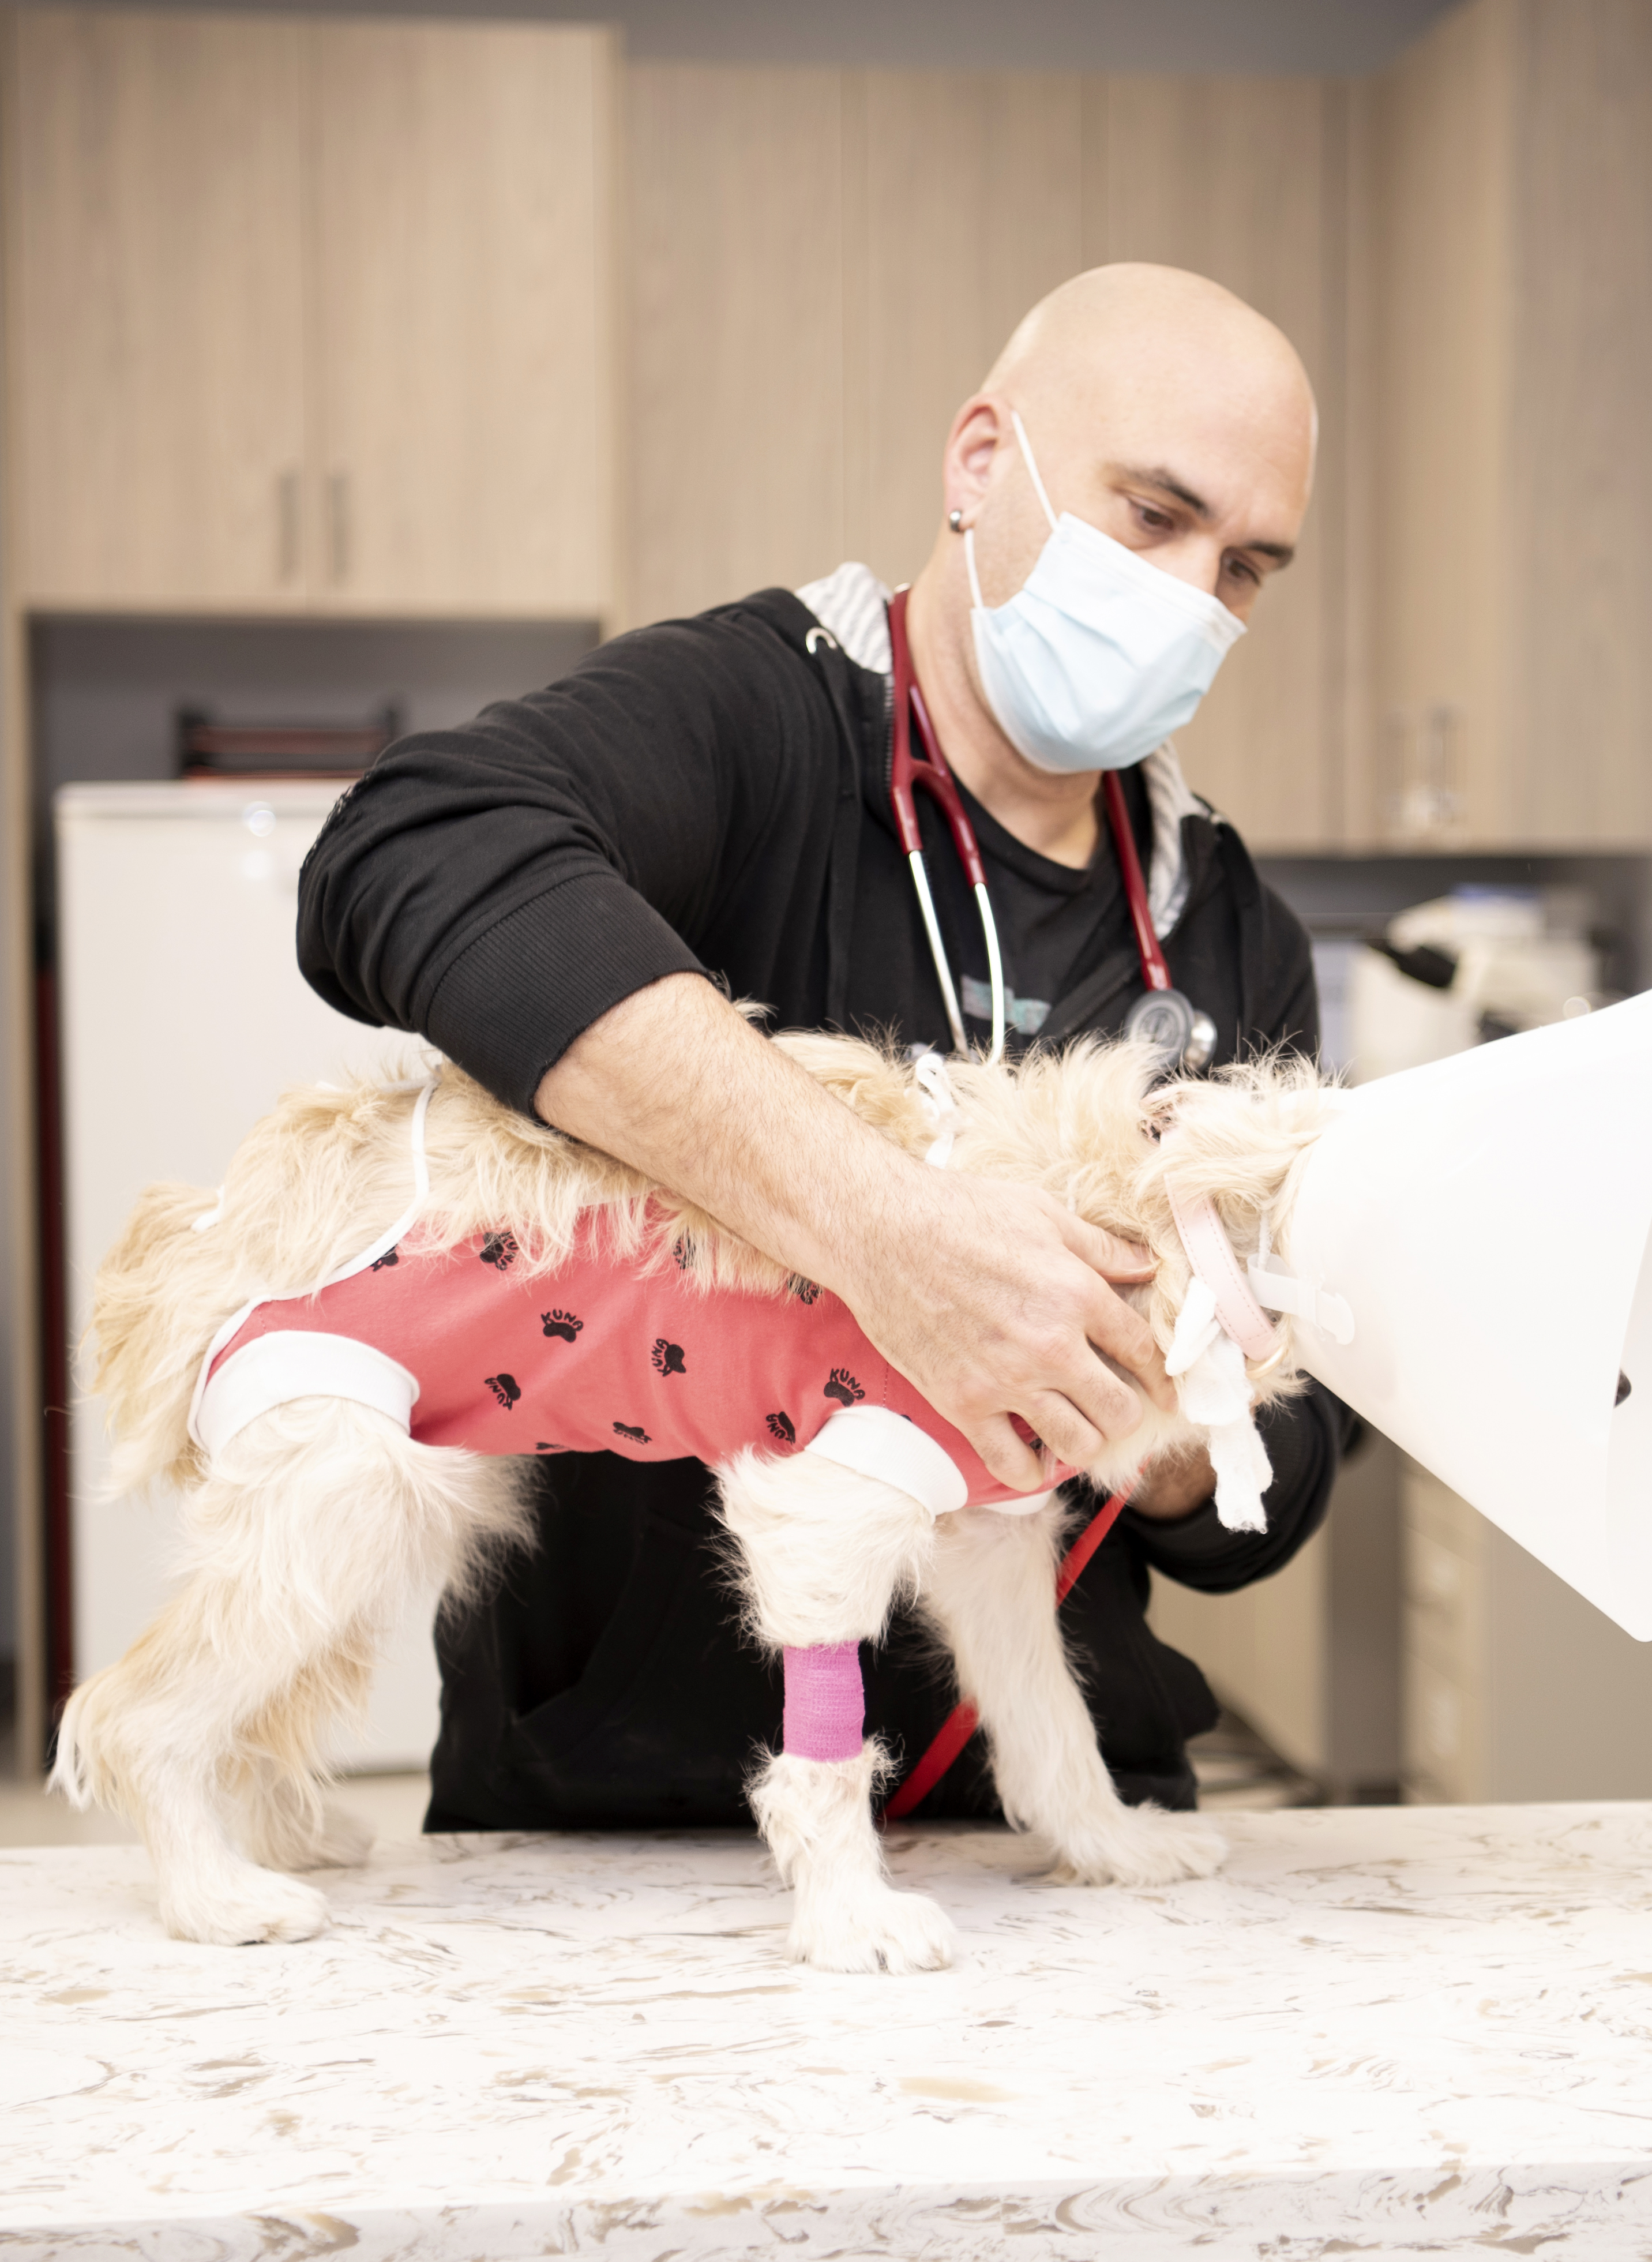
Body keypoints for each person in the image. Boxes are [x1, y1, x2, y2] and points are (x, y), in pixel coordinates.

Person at [295, 262, 1346, 1832]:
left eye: (1246, 566)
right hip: (634, 1814)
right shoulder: (753, 721)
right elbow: (406, 851)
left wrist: (1176, 1419)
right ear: (980, 461)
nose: (1196, 597)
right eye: (1152, 516)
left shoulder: (1230, 927)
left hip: (1068, 1820)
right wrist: (880, 1232)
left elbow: (1288, 1480)